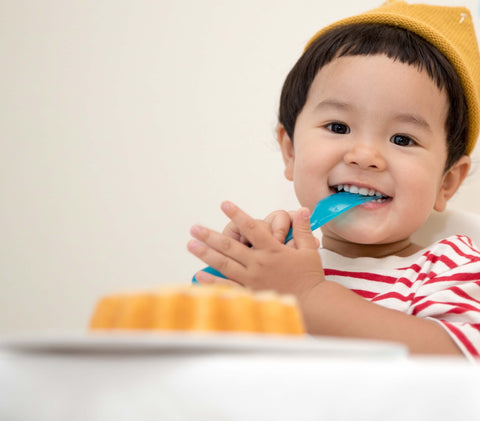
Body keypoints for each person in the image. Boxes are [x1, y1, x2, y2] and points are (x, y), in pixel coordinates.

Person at [187, 0, 480, 360]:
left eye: (402, 139)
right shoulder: (275, 268)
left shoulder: (452, 267)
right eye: (338, 127)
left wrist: (308, 296)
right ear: (291, 152)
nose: (364, 156)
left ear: (447, 182)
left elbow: (462, 364)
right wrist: (237, 284)